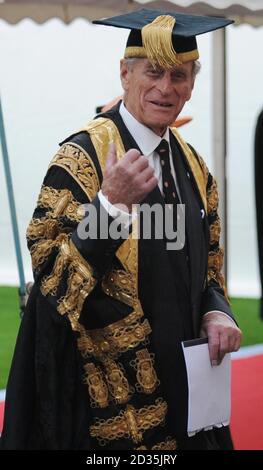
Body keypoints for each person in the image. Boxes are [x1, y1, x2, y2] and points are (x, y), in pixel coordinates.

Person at [1, 9, 242, 450]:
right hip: (108, 413)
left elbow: (210, 262)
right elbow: (51, 284)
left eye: (179, 75)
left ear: (192, 83)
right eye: (153, 72)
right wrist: (109, 207)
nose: (165, 88)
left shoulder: (194, 166)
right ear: (124, 74)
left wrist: (217, 311)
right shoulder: (80, 160)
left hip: (188, 398)